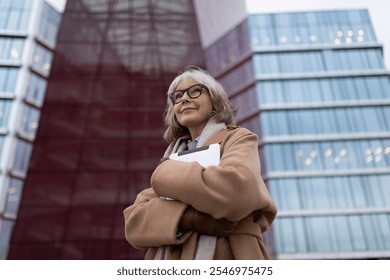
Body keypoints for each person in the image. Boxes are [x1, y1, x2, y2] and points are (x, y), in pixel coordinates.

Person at [123, 66, 277, 259]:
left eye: (195, 91)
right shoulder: (173, 154)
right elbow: (134, 223)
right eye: (177, 96)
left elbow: (234, 190)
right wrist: (191, 219)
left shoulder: (239, 138)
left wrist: (166, 176)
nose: (184, 99)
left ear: (215, 100)